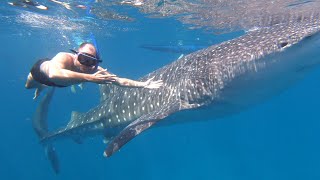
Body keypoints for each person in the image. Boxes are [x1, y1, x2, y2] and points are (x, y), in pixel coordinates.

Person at [25, 42, 163, 99]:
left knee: (53, 83)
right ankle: (41, 85)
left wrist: (143, 84)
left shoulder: (93, 70)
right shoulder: (64, 57)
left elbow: (119, 80)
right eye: (83, 59)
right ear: (75, 55)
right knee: (28, 86)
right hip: (39, 73)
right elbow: (53, 74)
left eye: (91, 61)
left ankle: (44, 86)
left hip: (58, 82)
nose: (86, 65)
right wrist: (90, 78)